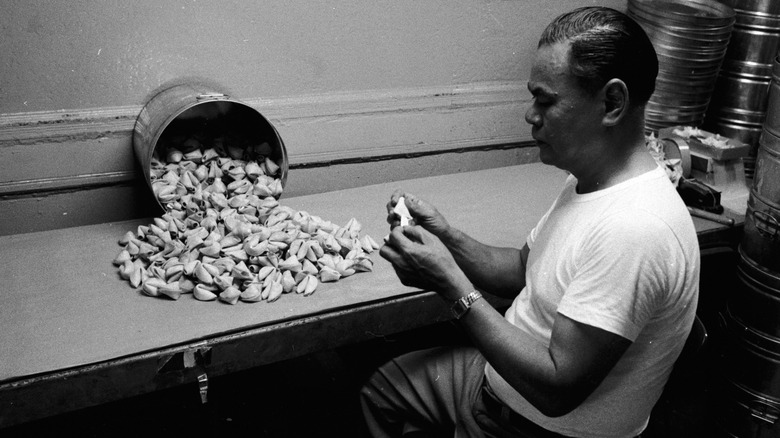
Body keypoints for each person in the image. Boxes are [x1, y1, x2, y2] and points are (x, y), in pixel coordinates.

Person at [360, 6, 700, 438]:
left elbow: (556, 390)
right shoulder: (591, 180)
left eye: (546, 100)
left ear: (612, 103)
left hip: (534, 423)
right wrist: (446, 236)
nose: (530, 115)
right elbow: (524, 270)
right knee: (384, 388)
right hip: (500, 383)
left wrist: (451, 285)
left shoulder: (636, 230)